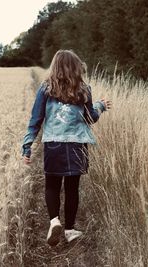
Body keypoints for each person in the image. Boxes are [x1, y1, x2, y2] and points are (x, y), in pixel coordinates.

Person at [21, 49, 112, 246]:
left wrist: (27, 146)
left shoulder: (46, 88)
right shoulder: (83, 89)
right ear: (76, 67)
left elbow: (35, 120)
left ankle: (54, 221)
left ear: (55, 67)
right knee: (72, 188)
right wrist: (100, 106)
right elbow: (90, 118)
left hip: (54, 143)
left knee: (52, 185)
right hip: (77, 145)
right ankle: (70, 230)